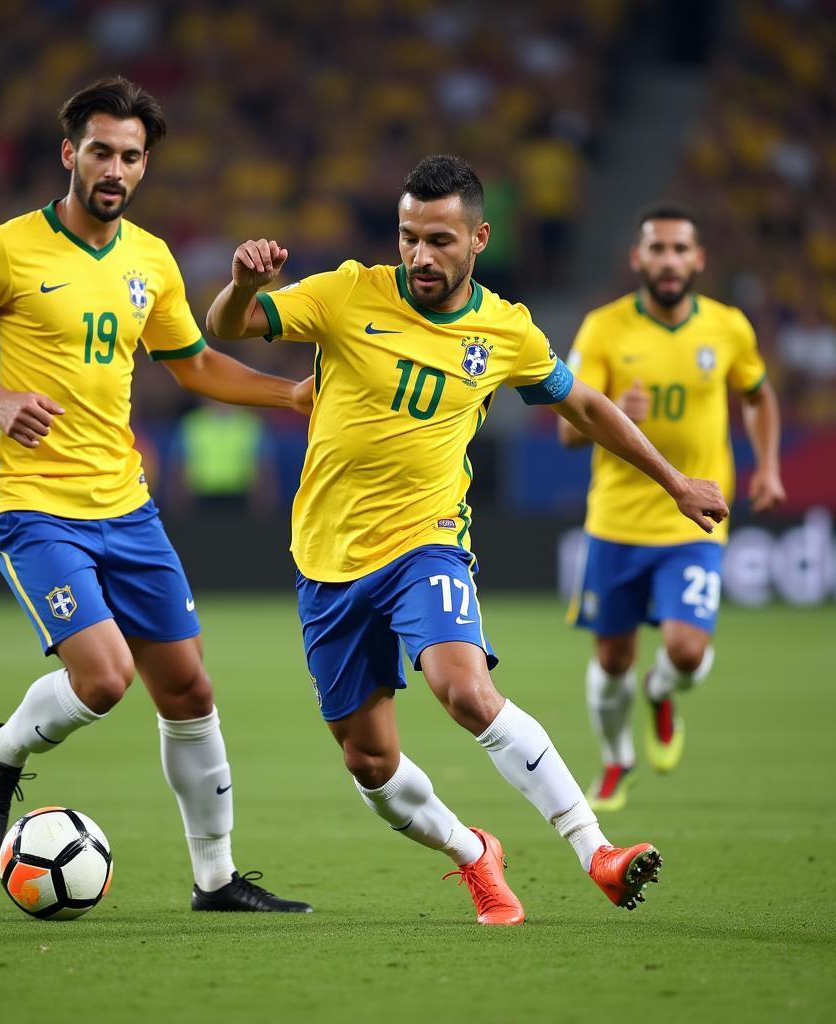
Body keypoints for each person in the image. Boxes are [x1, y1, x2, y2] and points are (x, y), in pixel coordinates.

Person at [205, 155, 730, 924]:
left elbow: (582, 404)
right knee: (369, 761)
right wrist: (245, 282)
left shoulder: (506, 329)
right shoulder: (350, 291)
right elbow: (228, 325)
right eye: (409, 237)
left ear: (480, 238)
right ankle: (473, 853)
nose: (421, 255)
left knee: (464, 688)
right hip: (326, 559)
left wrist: (674, 480)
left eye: (441, 240)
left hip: (426, 542)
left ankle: (597, 852)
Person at [0, 76, 312, 914]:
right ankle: (0, 751)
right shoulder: (3, 248)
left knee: (190, 691)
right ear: (69, 154)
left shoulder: (151, 260)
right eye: (100, 151)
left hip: (126, 504)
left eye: (130, 155)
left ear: (144, 164)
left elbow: (193, 362)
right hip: (31, 501)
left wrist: (290, 395)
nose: (114, 168)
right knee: (106, 677)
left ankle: (216, 880)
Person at [558, 202, 785, 811]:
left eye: (679, 249)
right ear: (637, 258)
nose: (668, 260)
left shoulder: (728, 327)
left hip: (695, 518)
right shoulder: (603, 328)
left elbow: (759, 397)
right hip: (617, 522)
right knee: (611, 659)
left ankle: (661, 693)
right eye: (656, 249)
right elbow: (568, 430)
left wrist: (767, 466)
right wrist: (614, 411)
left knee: (686, 651)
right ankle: (615, 761)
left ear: (698, 259)